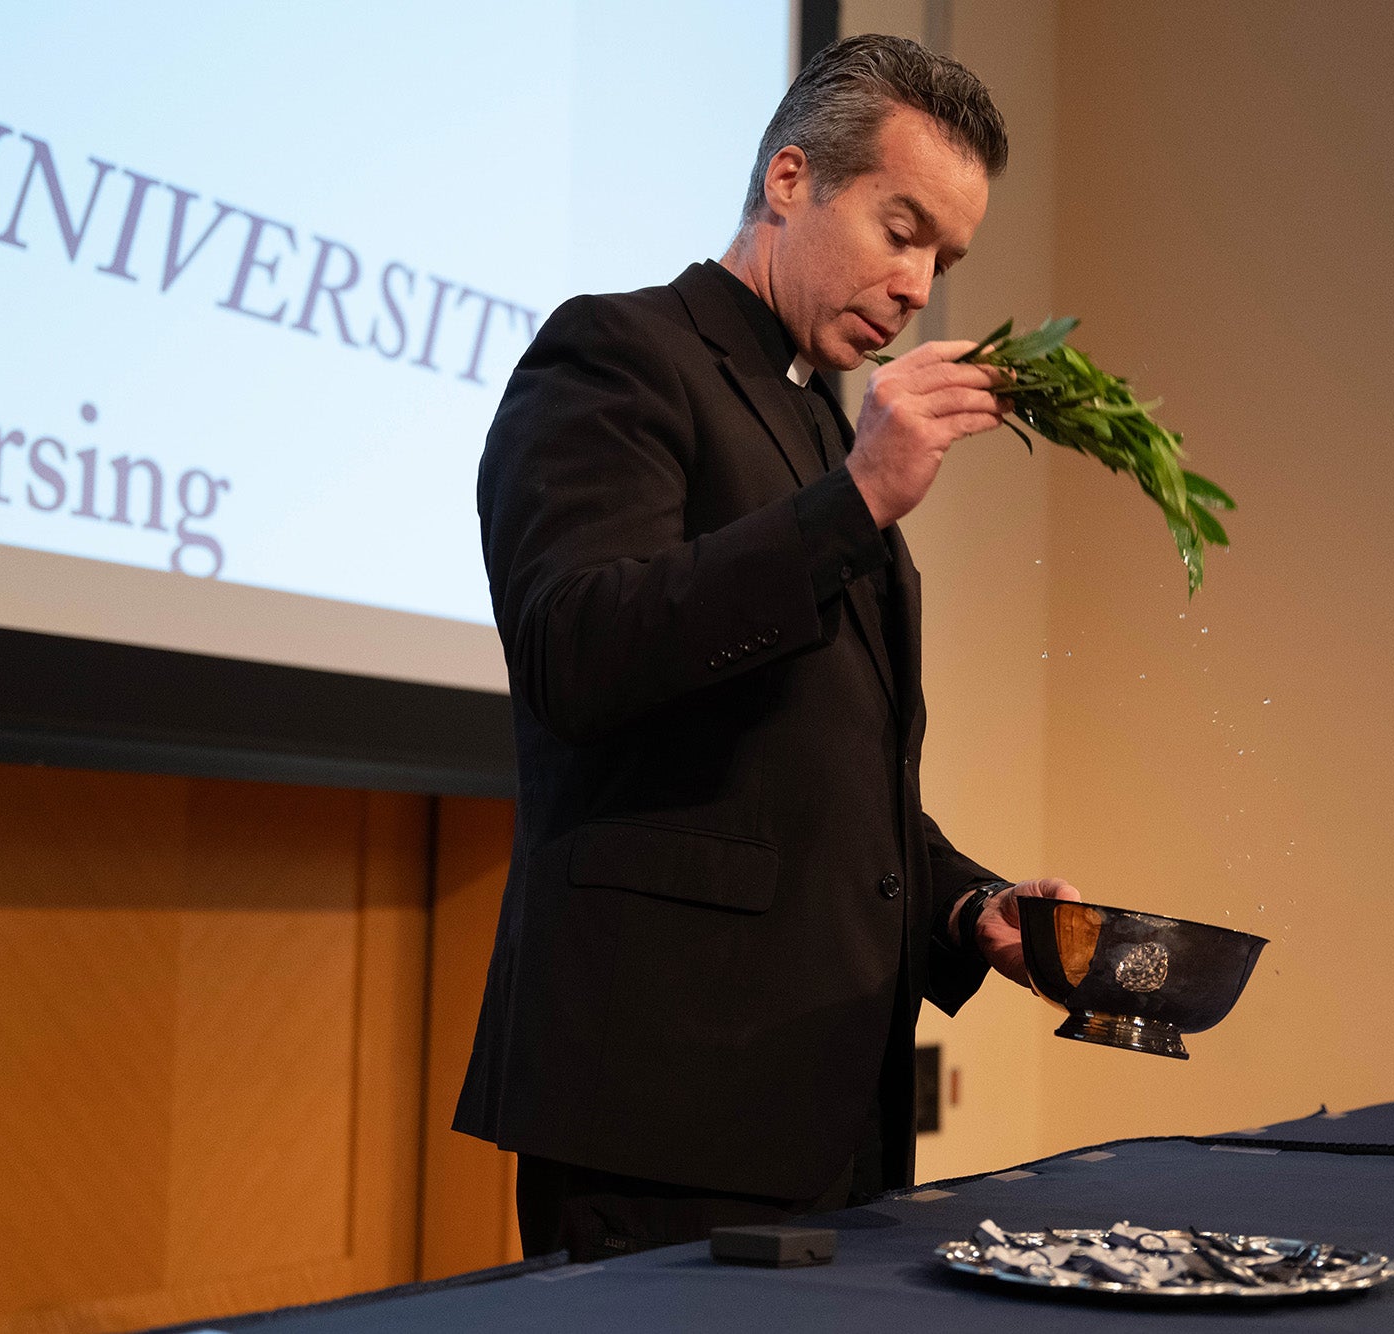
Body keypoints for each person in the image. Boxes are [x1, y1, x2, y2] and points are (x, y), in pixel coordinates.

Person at [453, 34, 1081, 1262]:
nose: (917, 286)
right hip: (662, 1101)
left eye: (943, 257)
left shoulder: (810, 419)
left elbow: (819, 770)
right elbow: (573, 647)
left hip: (822, 1099)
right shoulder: (617, 354)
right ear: (789, 180)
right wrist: (852, 505)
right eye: (900, 230)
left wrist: (968, 906)